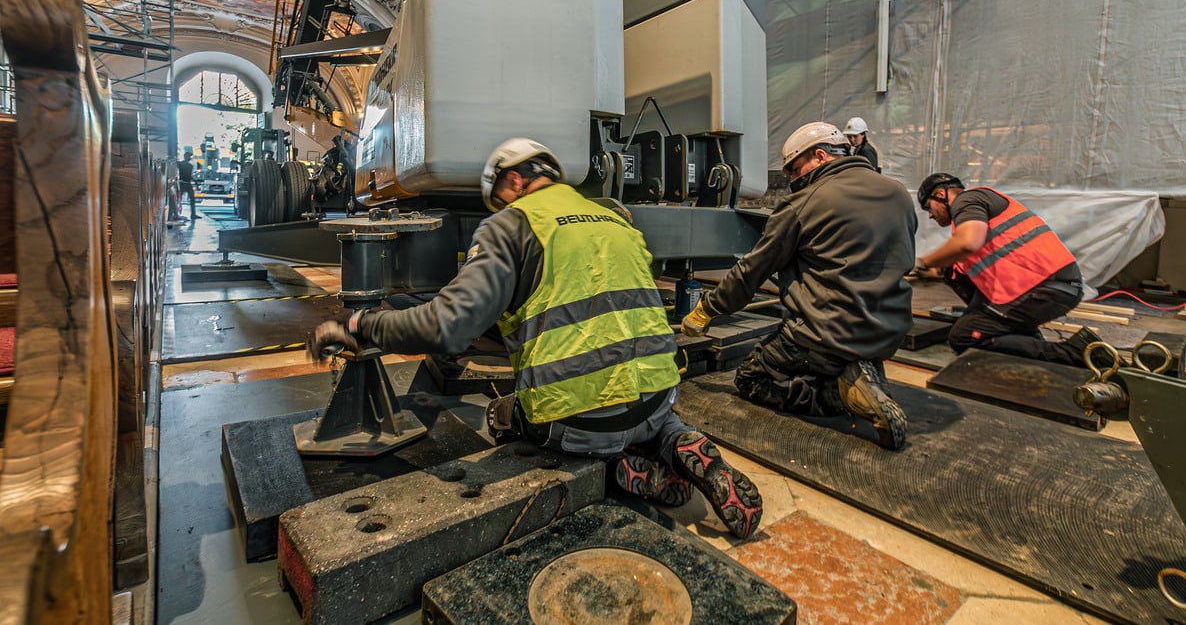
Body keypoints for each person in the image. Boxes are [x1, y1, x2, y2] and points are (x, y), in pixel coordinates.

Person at [309, 138, 763, 538]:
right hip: (660, 397)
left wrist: (360, 326)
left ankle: (618, 470)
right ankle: (677, 441)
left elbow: (448, 326)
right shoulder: (616, 220)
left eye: (498, 199)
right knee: (646, 413)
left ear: (510, 181)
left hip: (581, 420)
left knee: (503, 416)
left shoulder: (510, 226)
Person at [682, 122, 916, 449]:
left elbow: (753, 270)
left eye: (794, 169)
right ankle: (856, 369)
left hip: (823, 330)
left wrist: (708, 308)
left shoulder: (805, 203)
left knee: (751, 379)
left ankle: (837, 395)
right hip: (889, 327)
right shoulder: (898, 194)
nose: (792, 179)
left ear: (819, 156)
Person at [914, 173, 1101, 366]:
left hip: (1045, 286)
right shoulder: (975, 217)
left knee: (965, 335)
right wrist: (930, 273)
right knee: (951, 272)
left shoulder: (968, 200)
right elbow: (958, 266)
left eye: (928, 206)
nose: (929, 214)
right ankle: (1026, 338)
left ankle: (1080, 353)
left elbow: (967, 243)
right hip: (1054, 284)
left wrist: (923, 263)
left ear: (940, 194)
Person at [177, 151, 197, 220]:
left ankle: (192, 214)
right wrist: (195, 181)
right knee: (190, 199)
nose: (190, 158)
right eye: (189, 156)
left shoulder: (180, 164)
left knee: (180, 199)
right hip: (186, 183)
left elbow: (188, 175)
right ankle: (193, 214)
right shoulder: (189, 166)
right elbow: (189, 175)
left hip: (184, 183)